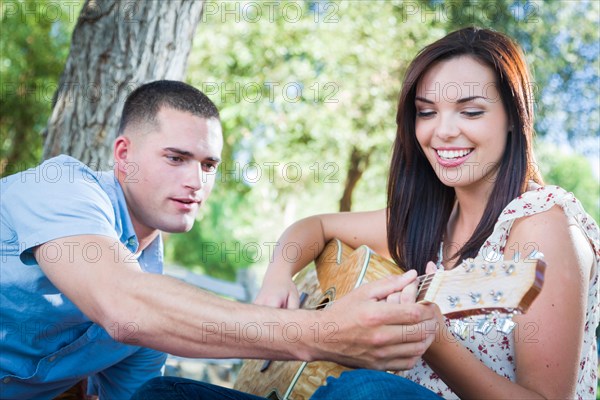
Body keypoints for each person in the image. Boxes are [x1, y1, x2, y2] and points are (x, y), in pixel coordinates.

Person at [134, 27, 599, 399]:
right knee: (162, 391)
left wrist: (434, 337)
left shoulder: (543, 222)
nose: (442, 131)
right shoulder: (427, 222)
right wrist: (278, 276)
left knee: (363, 388)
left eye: (470, 111)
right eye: (426, 112)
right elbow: (312, 228)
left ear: (513, 118)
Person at [0, 80, 439, 399]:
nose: (195, 181)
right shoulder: (60, 186)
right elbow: (124, 305)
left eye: (209, 165)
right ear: (124, 155)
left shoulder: (153, 296)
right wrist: (323, 332)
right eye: (176, 158)